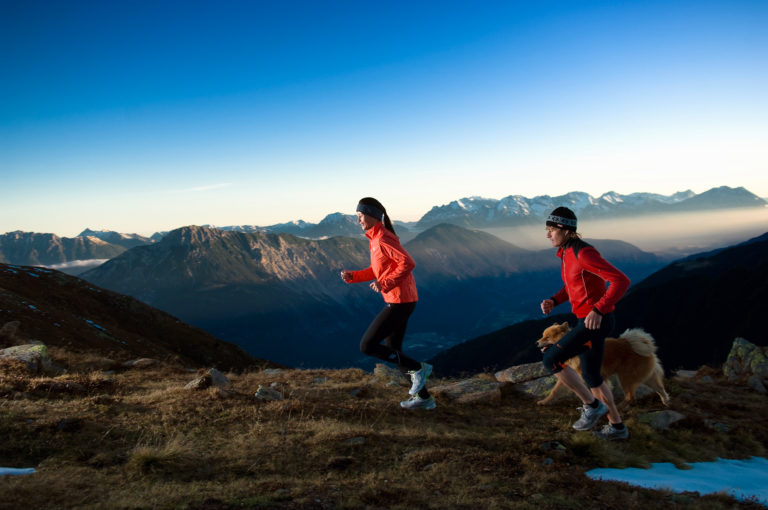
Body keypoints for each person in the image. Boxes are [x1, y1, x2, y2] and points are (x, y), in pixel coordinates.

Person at [540, 207, 631, 440]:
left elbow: (621, 281)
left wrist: (599, 309)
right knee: (592, 377)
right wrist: (554, 300)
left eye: (550, 230)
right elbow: (575, 287)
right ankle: (617, 428)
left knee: (551, 358)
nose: (547, 235)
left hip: (596, 323)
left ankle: (592, 407)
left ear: (564, 229)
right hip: (588, 320)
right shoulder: (566, 252)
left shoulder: (583, 253)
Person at [340, 197, 435, 410]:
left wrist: (385, 283)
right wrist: (353, 276)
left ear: (372, 216)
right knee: (393, 349)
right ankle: (423, 398)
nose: (358, 221)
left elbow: (408, 263)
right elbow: (378, 269)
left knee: (368, 345)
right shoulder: (375, 239)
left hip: (400, 301)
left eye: (360, 216)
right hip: (401, 299)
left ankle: (417, 368)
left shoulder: (382, 238)